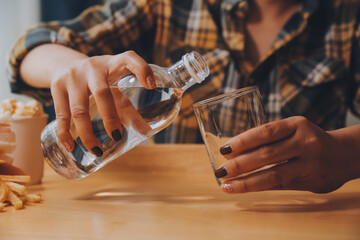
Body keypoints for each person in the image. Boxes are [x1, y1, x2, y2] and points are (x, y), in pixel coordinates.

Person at [6, 0, 360, 194]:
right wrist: (73, 65)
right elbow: (32, 45)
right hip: (176, 211)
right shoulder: (167, 6)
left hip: (300, 215)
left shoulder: (347, 17)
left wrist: (346, 152)